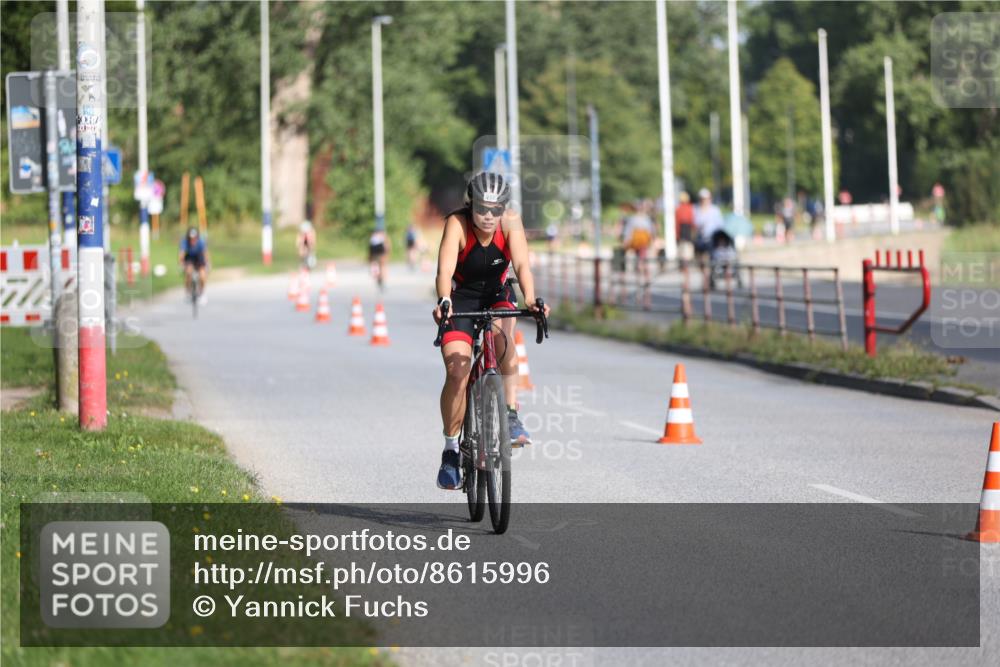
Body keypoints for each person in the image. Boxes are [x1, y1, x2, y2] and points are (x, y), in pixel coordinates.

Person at [432, 171, 549, 490]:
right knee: (457, 370)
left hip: (498, 295)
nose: (488, 215)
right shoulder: (457, 224)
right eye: (482, 208)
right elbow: (444, 271)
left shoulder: (511, 222)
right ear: (471, 206)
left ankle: (510, 414)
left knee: (503, 342)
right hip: (461, 297)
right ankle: (451, 450)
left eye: (495, 209)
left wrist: (530, 299)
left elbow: (523, 266)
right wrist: (444, 300)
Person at [178, 227, 210, 303]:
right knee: (188, 272)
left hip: (199, 257)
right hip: (189, 258)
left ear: (197, 237)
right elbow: (182, 254)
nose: (193, 240)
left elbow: (205, 253)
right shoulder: (185, 242)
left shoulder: (201, 242)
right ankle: (188, 292)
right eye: (191, 238)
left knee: (202, 276)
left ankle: (202, 293)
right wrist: (181, 264)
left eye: (195, 238)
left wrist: (208, 263)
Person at [693, 188, 723, 257]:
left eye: (706, 199)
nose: (704, 201)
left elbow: (720, 225)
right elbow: (694, 224)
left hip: (713, 239)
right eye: (702, 199)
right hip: (700, 240)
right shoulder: (696, 209)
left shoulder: (715, 210)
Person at [675, 191, 696, 261]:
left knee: (684, 248)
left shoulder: (680, 209)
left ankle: (685, 263)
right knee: (686, 248)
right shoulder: (689, 208)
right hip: (685, 230)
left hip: (685, 230)